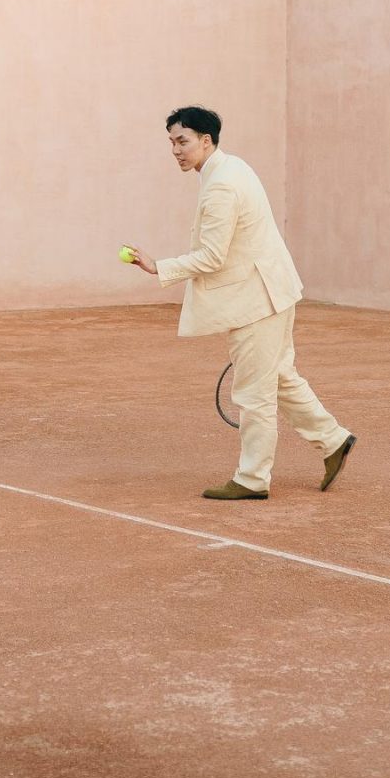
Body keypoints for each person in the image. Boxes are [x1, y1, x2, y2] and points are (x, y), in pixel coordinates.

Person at [126, 106, 356, 502]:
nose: (176, 150)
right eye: (172, 142)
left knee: (253, 393)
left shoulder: (221, 186)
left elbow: (212, 256)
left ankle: (252, 478)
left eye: (182, 141)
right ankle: (333, 440)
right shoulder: (233, 168)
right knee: (280, 377)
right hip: (273, 291)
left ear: (206, 140)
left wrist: (158, 266)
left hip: (256, 301)